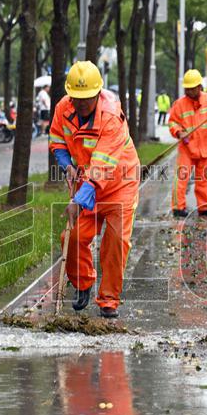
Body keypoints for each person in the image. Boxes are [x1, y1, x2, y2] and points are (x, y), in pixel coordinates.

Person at [49, 61, 140, 319]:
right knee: (73, 238)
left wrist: (81, 198)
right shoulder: (62, 109)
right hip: (85, 179)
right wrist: (66, 165)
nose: (80, 104)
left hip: (119, 182)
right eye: (75, 98)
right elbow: (57, 140)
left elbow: (103, 166)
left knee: (115, 243)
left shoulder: (111, 116)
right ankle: (83, 283)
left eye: (86, 99)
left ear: (97, 94)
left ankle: (108, 300)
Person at [167, 69, 207, 218]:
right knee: (181, 179)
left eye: (192, 88)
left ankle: (204, 208)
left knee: (205, 179)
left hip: (206, 148)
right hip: (187, 148)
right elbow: (172, 122)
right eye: (187, 88)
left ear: (200, 86)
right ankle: (178, 208)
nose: (189, 91)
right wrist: (179, 132)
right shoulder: (179, 104)